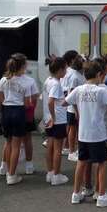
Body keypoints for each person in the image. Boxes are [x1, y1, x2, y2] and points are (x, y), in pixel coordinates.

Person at [66, 60, 107, 208]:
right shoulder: (101, 91)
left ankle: (76, 193)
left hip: (83, 133)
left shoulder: (79, 89)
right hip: (98, 133)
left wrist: (79, 109)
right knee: (102, 163)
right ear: (99, 74)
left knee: (82, 162)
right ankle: (101, 195)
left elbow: (65, 102)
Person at [0, 55, 34, 185]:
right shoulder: (26, 82)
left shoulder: (3, 80)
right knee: (16, 145)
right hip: (18, 111)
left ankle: (7, 169)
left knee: (8, 142)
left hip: (6, 110)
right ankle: (12, 174)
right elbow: (27, 103)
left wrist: (2, 111)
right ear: (22, 66)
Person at [43, 57, 69, 186]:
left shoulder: (48, 80)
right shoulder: (56, 83)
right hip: (57, 120)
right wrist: (54, 117)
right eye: (65, 68)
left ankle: (50, 172)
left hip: (49, 119)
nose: (66, 71)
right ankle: (56, 175)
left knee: (50, 145)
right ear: (60, 70)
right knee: (58, 148)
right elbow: (50, 101)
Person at [16, 53, 40, 175]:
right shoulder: (29, 81)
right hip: (26, 111)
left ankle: (4, 166)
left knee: (9, 141)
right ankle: (29, 165)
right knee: (27, 139)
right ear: (23, 66)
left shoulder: (6, 79)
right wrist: (32, 107)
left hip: (11, 111)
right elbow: (35, 96)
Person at [62, 53, 85, 162]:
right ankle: (71, 151)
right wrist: (76, 110)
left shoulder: (81, 74)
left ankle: (71, 149)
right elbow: (72, 95)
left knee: (74, 129)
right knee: (72, 129)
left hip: (80, 107)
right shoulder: (75, 76)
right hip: (73, 108)